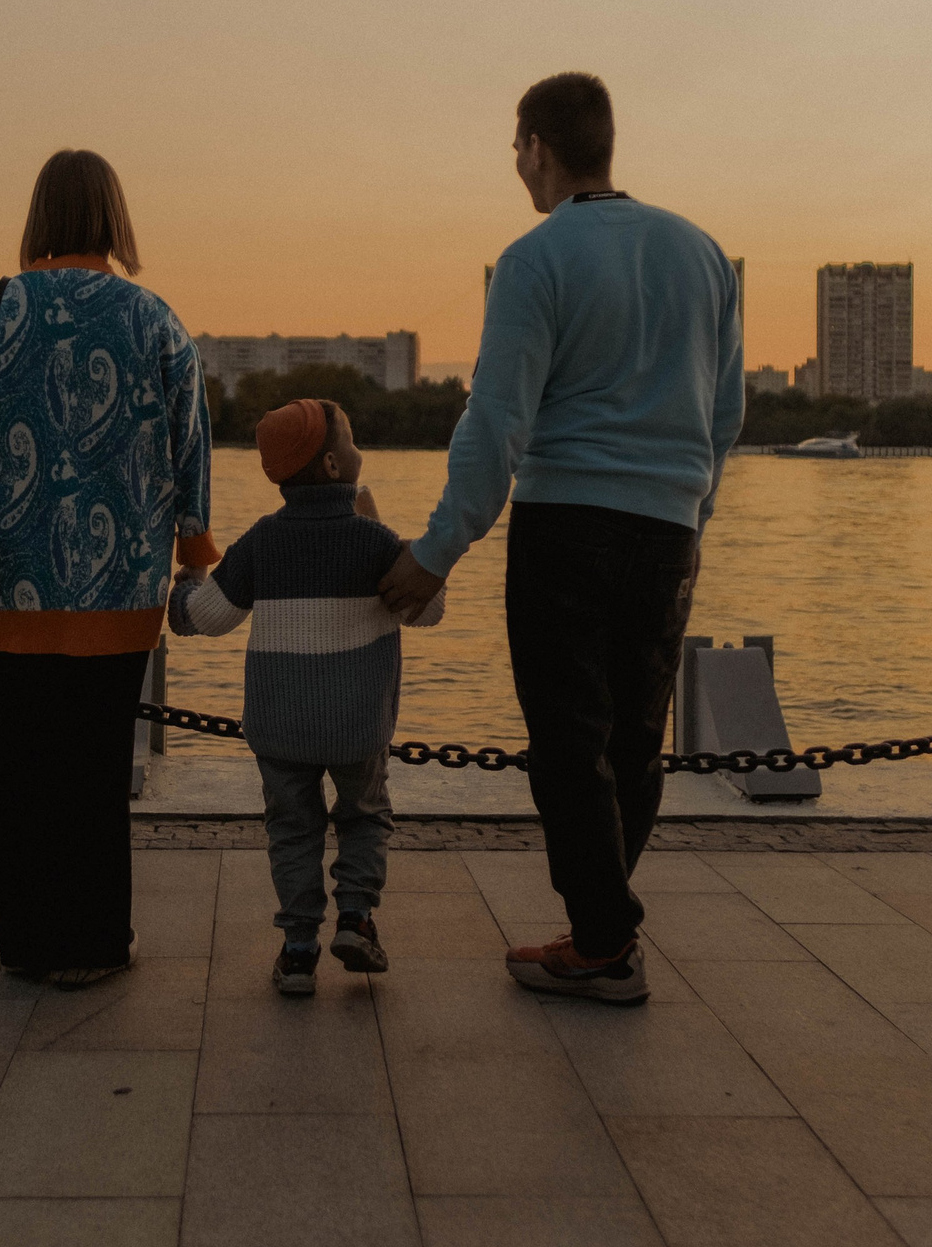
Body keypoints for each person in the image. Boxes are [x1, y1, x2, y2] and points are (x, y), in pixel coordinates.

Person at [378, 72, 743, 1005]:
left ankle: (602, 940)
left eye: (515, 146)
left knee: (568, 738)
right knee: (634, 739)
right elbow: (726, 413)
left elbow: (495, 418)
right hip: (667, 530)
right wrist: (688, 514)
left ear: (539, 146)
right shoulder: (704, 256)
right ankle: (601, 923)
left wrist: (436, 548)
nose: (514, 163)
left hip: (566, 524)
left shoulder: (535, 260)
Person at [0, 148, 215, 989]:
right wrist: (195, 557)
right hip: (118, 590)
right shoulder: (155, 320)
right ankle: (92, 941)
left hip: (5, 585)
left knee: (12, 769)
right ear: (113, 219)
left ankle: (24, 939)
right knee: (93, 772)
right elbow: (189, 450)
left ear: (37, 218)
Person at [169, 399, 443, 996]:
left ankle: (297, 952)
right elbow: (429, 609)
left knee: (291, 829)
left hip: (282, 726)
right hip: (358, 723)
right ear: (331, 466)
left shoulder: (262, 542)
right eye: (348, 438)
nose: (355, 445)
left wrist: (182, 592)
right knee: (365, 815)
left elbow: (208, 618)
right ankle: (357, 920)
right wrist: (385, 528)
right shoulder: (372, 540)